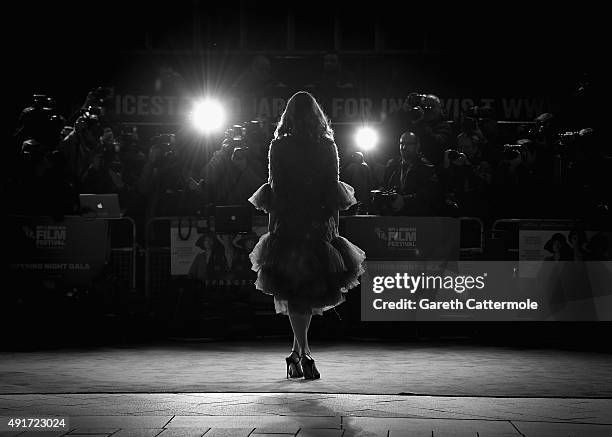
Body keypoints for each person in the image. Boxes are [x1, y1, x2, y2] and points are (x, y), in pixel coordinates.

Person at [248, 91, 366, 380]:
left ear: (288, 115)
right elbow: (333, 190)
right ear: (317, 116)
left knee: (295, 291)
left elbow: (274, 190)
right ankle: (303, 353)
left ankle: (299, 354)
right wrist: (334, 229)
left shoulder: (279, 146)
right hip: (317, 223)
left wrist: (272, 228)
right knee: (306, 291)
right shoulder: (327, 146)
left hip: (289, 223)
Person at [384, 131, 441, 216]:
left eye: (408, 144)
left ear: (417, 146)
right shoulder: (392, 165)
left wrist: (405, 200)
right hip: (394, 217)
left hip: (417, 218)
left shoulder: (426, 167)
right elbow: (385, 186)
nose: (404, 147)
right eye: (401, 143)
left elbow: (430, 194)